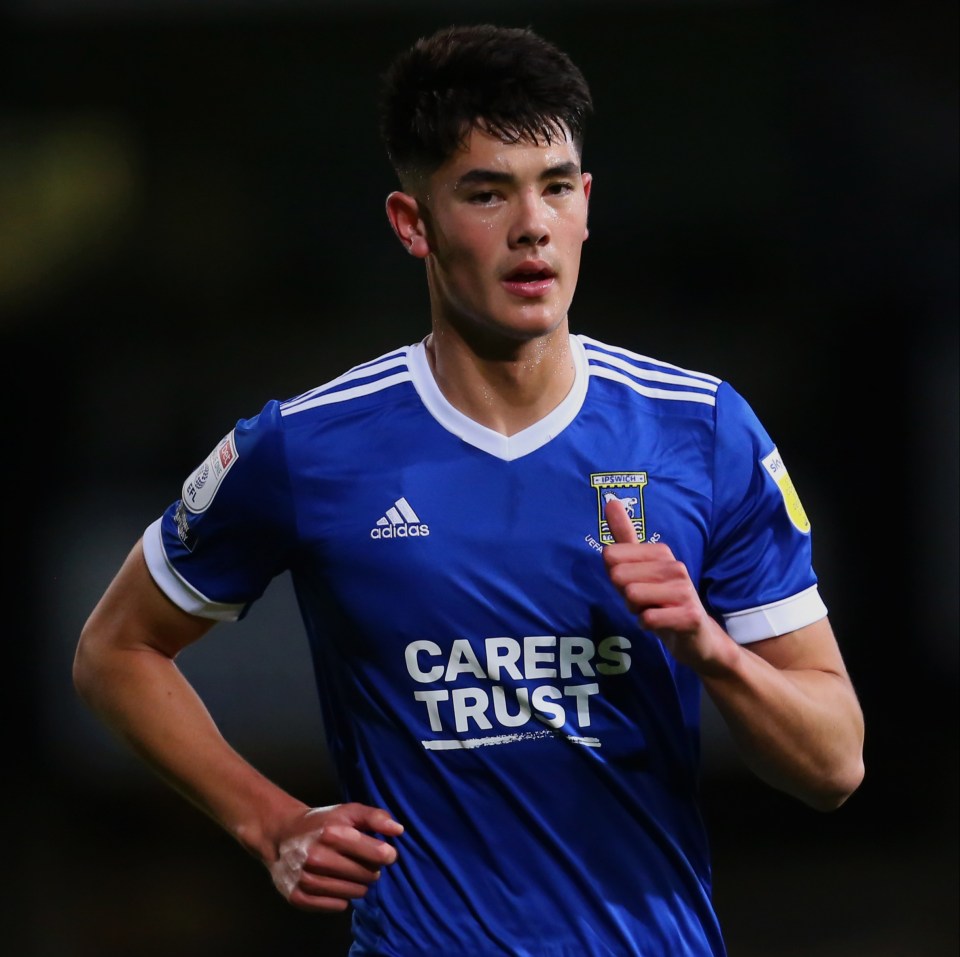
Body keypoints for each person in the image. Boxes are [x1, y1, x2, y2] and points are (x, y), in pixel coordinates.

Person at [73, 22, 865, 957]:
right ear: (414, 223)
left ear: (585, 206)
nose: (531, 225)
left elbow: (834, 763)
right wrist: (269, 821)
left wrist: (710, 649)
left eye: (556, 187)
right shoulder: (308, 446)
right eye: (487, 193)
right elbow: (115, 650)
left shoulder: (700, 429)